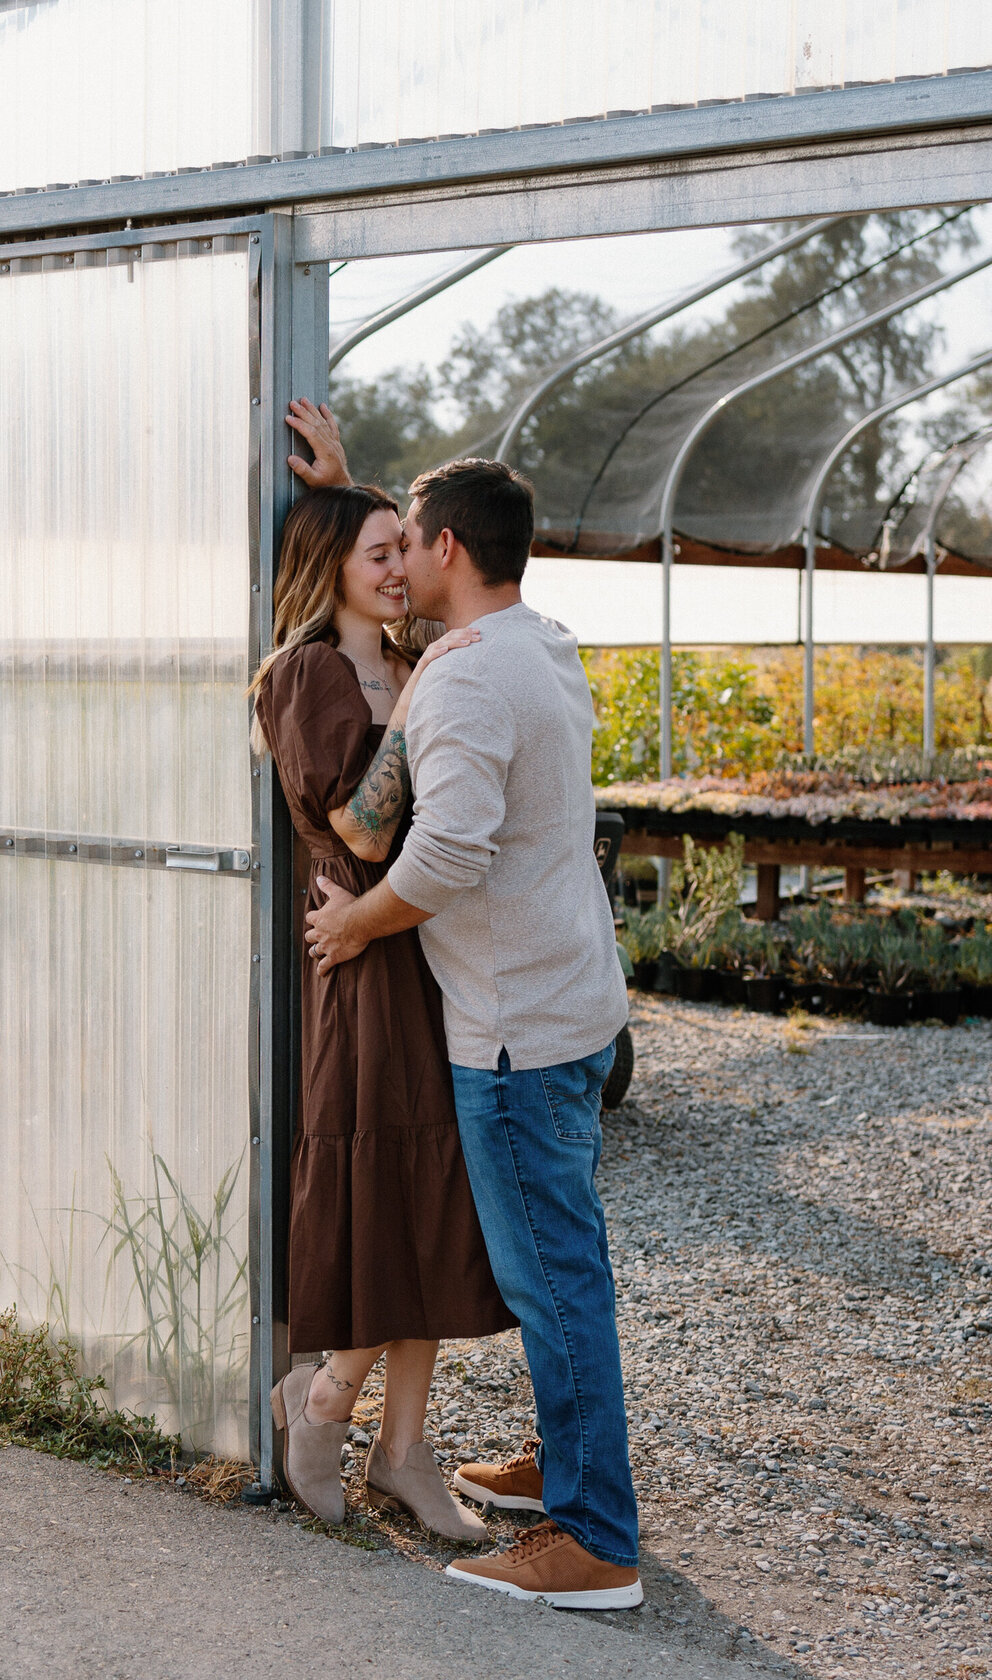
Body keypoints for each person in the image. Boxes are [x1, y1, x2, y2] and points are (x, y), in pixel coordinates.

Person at [299, 405, 643, 1611]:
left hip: (513, 1034)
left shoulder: (461, 683)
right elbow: (448, 538)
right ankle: (569, 1467)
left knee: (555, 1285)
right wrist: (352, 492)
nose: (398, 561)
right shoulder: (536, 640)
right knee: (569, 1264)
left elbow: (442, 857)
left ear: (443, 548)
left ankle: (594, 1541)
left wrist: (351, 921)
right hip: (572, 1007)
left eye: (410, 540)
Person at [251, 458, 514, 1544]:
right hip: (357, 955)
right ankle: (321, 1407)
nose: (403, 565)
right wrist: (413, 691)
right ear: (334, 571)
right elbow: (360, 816)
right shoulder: (303, 676)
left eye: (405, 546)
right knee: (379, 1188)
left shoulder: (406, 658)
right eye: (380, 553)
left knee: (435, 1190)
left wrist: (357, 484)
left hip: (425, 946)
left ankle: (403, 1448)